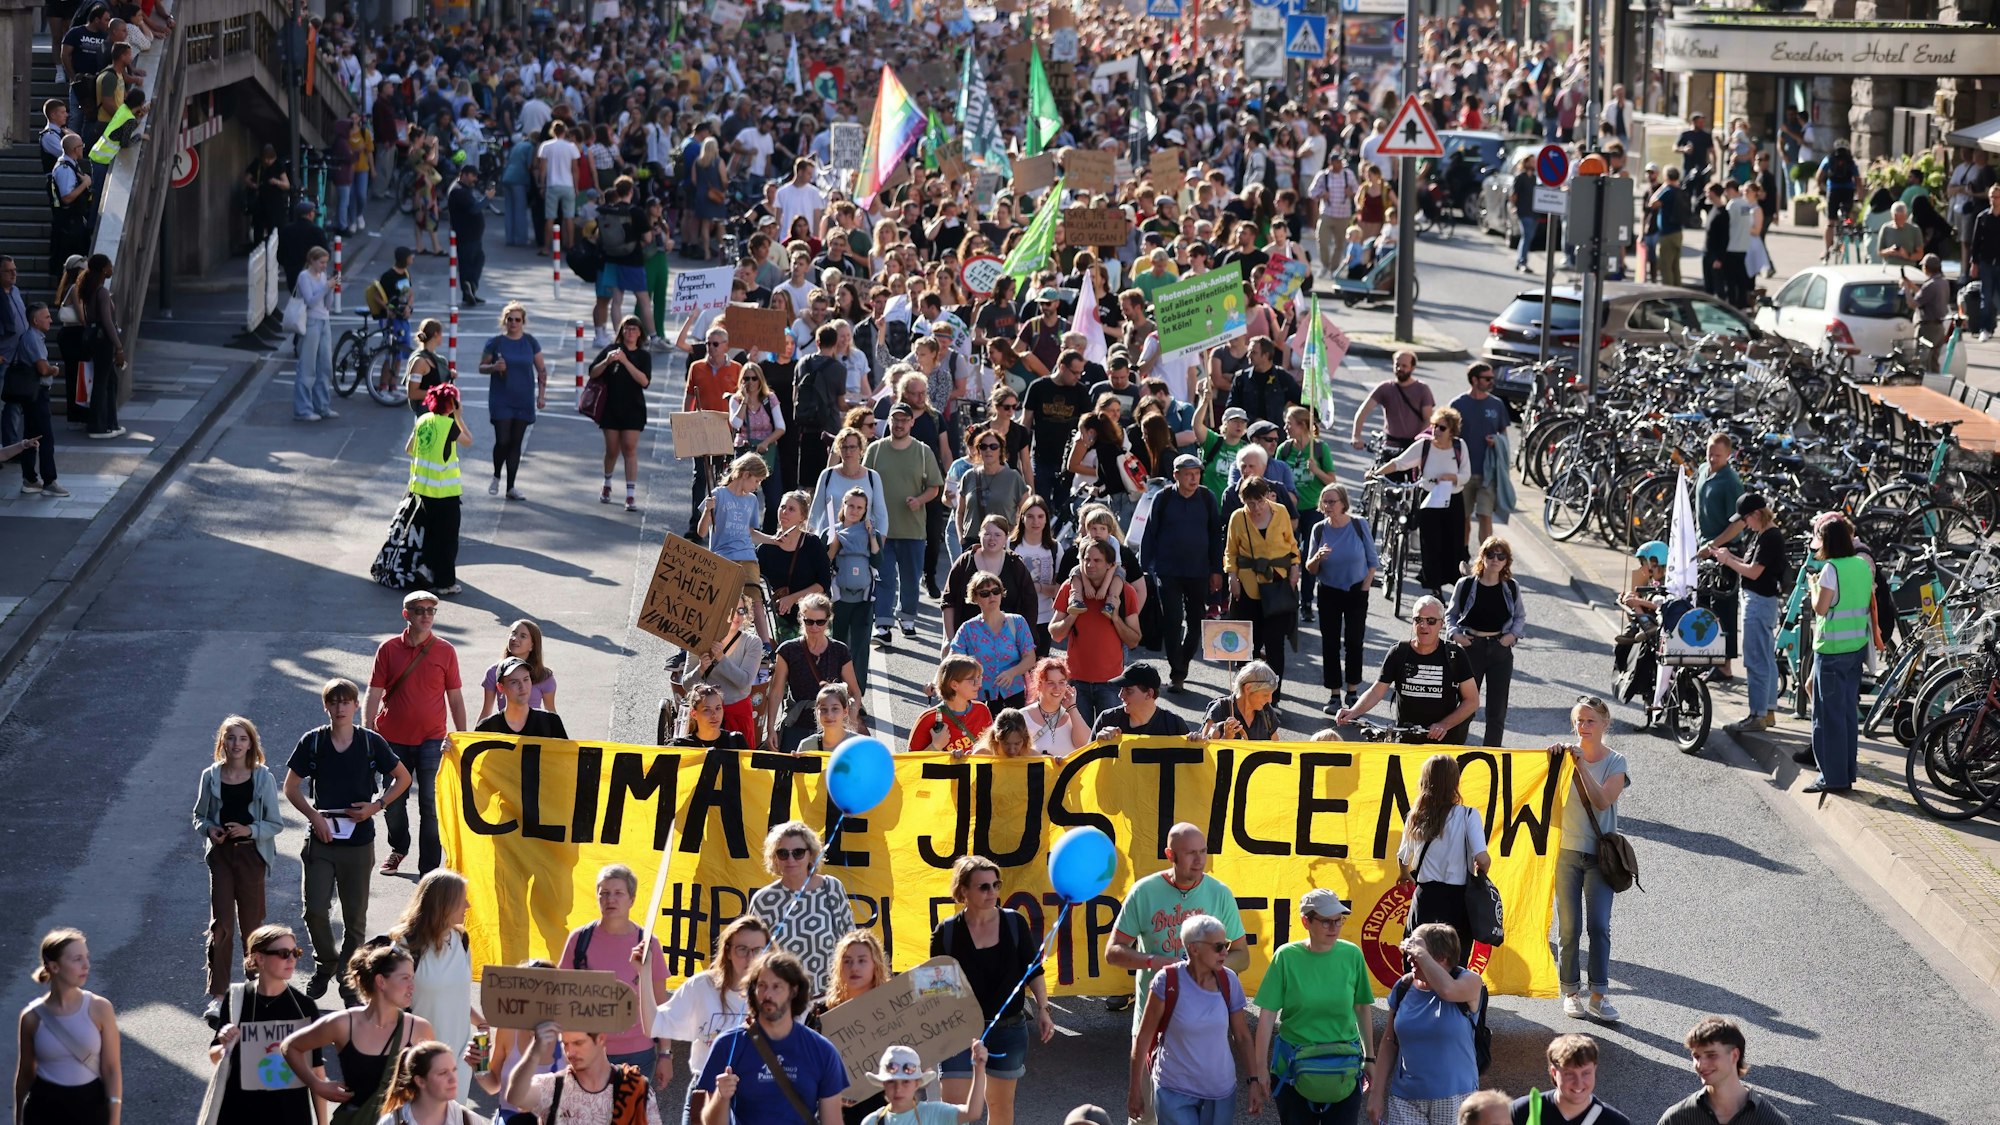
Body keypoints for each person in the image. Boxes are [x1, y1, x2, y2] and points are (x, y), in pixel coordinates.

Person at [286, 678, 412, 1001]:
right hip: (321, 839)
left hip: (358, 842)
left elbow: (403, 778)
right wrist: (315, 817)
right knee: (314, 909)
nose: (340, 708)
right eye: (334, 702)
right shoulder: (312, 742)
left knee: (355, 917)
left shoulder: (370, 742)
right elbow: (291, 786)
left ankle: (348, 974)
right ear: (326, 705)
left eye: (346, 702)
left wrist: (376, 806)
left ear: (356, 706)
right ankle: (325, 963)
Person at [929, 856, 1055, 1125]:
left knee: (999, 1108)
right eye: (983, 887)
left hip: (1007, 1030)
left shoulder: (1014, 923)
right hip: (958, 1030)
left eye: (996, 885)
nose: (993, 892)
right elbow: (934, 987)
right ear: (963, 891)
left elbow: (1033, 970)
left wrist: (1043, 1009)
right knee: (953, 1112)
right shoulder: (947, 933)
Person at [1106, 822, 1247, 1029]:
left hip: (1204, 1025)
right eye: (1191, 853)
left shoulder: (1220, 893)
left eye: (1203, 851)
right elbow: (1113, 953)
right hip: (1153, 1023)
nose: (1199, 861)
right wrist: (1155, 961)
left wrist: (1204, 967)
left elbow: (1242, 956)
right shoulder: (1144, 892)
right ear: (1170, 855)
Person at [365, 589, 466, 877]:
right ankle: (399, 847)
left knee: (431, 808)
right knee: (393, 803)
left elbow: (455, 699)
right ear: (406, 614)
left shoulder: (446, 650)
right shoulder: (388, 649)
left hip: (432, 740)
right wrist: (368, 732)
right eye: (419, 610)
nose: (426, 615)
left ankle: (429, 871)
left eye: (431, 610)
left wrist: (462, 738)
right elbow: (373, 693)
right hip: (392, 740)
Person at [1251, 890, 1375, 1125]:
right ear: (1305, 921)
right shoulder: (1286, 957)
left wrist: (1370, 1058)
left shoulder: (1352, 955)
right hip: (1292, 1070)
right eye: (1326, 921)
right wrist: (1260, 1071)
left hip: (1344, 1067)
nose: (1334, 927)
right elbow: (1266, 1017)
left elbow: (1362, 1008)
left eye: (1339, 920)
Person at [281, 943, 437, 1125]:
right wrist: (317, 1085)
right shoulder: (343, 1024)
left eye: (412, 978)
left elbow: (434, 1086)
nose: (412, 986)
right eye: (405, 978)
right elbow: (290, 1047)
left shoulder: (419, 1029)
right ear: (381, 982)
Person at [1126, 912, 1258, 1125]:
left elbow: (1242, 1035)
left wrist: (1254, 1080)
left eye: (1226, 944)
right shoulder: (1167, 981)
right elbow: (1143, 1039)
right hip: (1174, 1090)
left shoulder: (1229, 980)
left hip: (1220, 1092)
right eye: (1218, 947)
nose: (1225, 952)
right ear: (1194, 948)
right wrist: (1135, 1090)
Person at [192, 715, 284, 1016]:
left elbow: (275, 823)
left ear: (251, 744)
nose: (236, 744)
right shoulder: (210, 776)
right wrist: (210, 830)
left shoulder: (263, 777)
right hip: (221, 856)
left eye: (242, 739)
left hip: (251, 856)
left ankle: (257, 991)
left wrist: (250, 830)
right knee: (221, 926)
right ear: (222, 742)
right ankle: (218, 997)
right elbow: (199, 817)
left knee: (253, 927)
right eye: (230, 738)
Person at [693, 950, 845, 1125]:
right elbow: (710, 1123)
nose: (768, 994)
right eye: (762, 986)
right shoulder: (728, 1044)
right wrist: (721, 1096)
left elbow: (832, 1121)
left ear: (794, 991)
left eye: (776, 986)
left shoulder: (822, 1050)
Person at [1551, 697, 1630, 1023]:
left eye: (1590, 721)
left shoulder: (1616, 762)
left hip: (1600, 857)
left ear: (1605, 724)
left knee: (1598, 927)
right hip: (1567, 853)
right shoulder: (1565, 758)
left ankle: (1598, 994)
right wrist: (1556, 760)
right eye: (1579, 721)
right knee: (1569, 929)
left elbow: (1602, 801)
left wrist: (1581, 766)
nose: (1583, 727)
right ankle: (1571, 992)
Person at [650, 915, 769, 1124]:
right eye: (742, 949)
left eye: (758, 950)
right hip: (706, 1091)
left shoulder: (777, 992)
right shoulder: (702, 985)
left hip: (755, 1096)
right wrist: (643, 973)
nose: (750, 958)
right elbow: (656, 1023)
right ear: (729, 951)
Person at [556, 865, 670, 1081]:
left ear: (632, 900)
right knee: (588, 1115)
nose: (611, 900)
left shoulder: (647, 944)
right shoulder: (579, 939)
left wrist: (665, 1054)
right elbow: (561, 996)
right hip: (587, 1051)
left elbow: (661, 1003)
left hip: (637, 1052)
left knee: (629, 1115)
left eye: (618, 893)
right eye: (604, 893)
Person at [206, 925, 324, 1125]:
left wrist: (323, 1122)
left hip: (290, 1115)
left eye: (296, 953)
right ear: (259, 959)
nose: (292, 959)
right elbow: (215, 1056)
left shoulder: (304, 1007)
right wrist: (225, 1042)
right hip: (240, 1114)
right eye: (283, 953)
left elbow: (316, 1070)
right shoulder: (237, 999)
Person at [1368, 924, 1485, 1125]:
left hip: (1456, 1098)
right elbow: (1389, 1042)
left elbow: (1448, 991)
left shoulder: (1470, 982)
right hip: (1404, 1099)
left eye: (1416, 953)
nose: (1409, 958)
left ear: (1442, 957)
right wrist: (1376, 1094)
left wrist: (1421, 954)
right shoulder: (1403, 987)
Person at [1335, 596, 1480, 744]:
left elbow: (1472, 701)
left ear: (1441, 624)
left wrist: (1444, 725)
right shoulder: (1398, 652)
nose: (1424, 625)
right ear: (1413, 622)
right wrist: (1353, 712)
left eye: (1430, 621)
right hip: (1405, 741)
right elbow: (1377, 691)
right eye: (1418, 620)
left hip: (1443, 744)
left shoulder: (1455, 655)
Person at [388, 871, 484, 1095]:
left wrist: (480, 1022)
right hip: (419, 1062)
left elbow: (455, 995)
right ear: (443, 904)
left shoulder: (462, 940)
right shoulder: (405, 946)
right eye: (462, 900)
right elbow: (388, 1007)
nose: (468, 905)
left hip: (457, 1060)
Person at [14, 928, 121, 1125]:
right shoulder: (31, 1017)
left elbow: (112, 1068)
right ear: (54, 967)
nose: (86, 965)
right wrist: (19, 1118)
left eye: (87, 957)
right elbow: (25, 1073)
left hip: (90, 1109)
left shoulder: (100, 1008)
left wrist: (114, 1117)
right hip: (44, 1111)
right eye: (77, 959)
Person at [1699, 493, 1786, 732]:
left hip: (1759, 603)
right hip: (1762, 602)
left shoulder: (1769, 537)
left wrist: (1727, 560)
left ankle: (1757, 715)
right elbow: (1751, 565)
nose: (1744, 524)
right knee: (1765, 657)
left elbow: (1754, 572)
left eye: (1745, 519)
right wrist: (1727, 556)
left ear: (1756, 514)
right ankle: (1767, 711)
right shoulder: (1764, 534)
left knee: (1756, 660)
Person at [374, 385, 473, 593]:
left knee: (429, 534)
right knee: (447, 540)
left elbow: (409, 449)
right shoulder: (449, 425)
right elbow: (468, 441)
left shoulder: (423, 420)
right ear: (452, 404)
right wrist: (458, 417)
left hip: (421, 490)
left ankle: (426, 568)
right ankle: (444, 583)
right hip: (445, 493)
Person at [1396, 755, 1493, 966]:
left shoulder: (1416, 815)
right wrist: (1482, 868)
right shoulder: (1468, 815)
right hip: (1457, 900)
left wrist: (1404, 874)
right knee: (1453, 964)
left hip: (1425, 897)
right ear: (1455, 783)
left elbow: (1403, 856)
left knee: (1416, 961)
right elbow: (1482, 858)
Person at [1804, 514, 1876, 794]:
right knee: (1846, 715)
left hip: (1831, 650)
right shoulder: (1860, 564)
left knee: (1827, 717)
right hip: (1855, 648)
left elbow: (1821, 609)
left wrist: (1813, 588)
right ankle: (1846, 772)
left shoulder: (1830, 569)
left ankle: (1831, 777)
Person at [1143, 453, 1226, 692]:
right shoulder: (1164, 498)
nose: (1193, 478)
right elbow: (1150, 534)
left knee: (1196, 619)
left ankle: (1183, 659)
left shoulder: (1207, 498)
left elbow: (1214, 536)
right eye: (1188, 474)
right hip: (1168, 571)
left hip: (1199, 571)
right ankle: (1177, 672)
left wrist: (1216, 570)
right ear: (1176, 475)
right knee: (1172, 619)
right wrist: (1143, 569)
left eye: (1197, 473)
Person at [864, 400, 945, 641]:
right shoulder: (875, 450)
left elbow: (934, 487)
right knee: (885, 577)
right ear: (888, 421)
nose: (899, 424)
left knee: (911, 579)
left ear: (912, 422)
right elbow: (864, 484)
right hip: (882, 531)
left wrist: (920, 500)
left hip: (913, 529)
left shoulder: (922, 451)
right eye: (895, 419)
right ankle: (883, 625)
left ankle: (907, 619)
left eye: (903, 420)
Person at [1375, 406, 1471, 596]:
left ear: (1452, 431)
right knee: (1431, 543)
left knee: (1453, 543)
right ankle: (1434, 587)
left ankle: (1456, 584)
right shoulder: (1424, 446)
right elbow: (1399, 462)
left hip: (1453, 500)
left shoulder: (1460, 446)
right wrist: (1376, 473)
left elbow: (1466, 474)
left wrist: (1452, 477)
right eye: (1434, 426)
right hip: (1429, 500)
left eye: (1442, 428)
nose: (1436, 431)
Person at [749, 822, 855, 993]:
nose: (790, 860)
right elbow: (754, 960)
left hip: (831, 1000)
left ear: (811, 854)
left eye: (798, 853)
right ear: (774, 857)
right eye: (783, 853)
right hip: (785, 1005)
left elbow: (851, 944)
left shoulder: (832, 888)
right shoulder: (763, 901)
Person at [1049, 538, 1143, 723]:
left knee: (1108, 742)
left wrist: (1115, 617)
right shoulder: (1069, 589)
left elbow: (1134, 640)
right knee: (1079, 743)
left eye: (1097, 560)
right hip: (1076, 682)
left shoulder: (1125, 592)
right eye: (1086, 560)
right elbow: (1055, 633)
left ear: (1110, 565)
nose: (1090, 565)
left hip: (1111, 684)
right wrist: (1073, 615)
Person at [1446, 537, 1526, 747]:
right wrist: (1456, 636)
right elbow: (1450, 615)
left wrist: (1511, 637)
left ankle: (1491, 755)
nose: (1495, 559)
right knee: (1465, 706)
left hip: (1500, 650)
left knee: (1496, 711)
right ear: (1482, 557)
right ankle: (1455, 753)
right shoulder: (1466, 584)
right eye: (1490, 554)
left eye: (1501, 556)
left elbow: (1520, 616)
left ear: (1507, 561)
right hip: (1472, 648)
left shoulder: (1511, 587)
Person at [805, 929, 891, 1124]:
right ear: (838, 966)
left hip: (885, 1106)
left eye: (862, 960)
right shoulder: (820, 1013)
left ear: (875, 965)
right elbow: (806, 1064)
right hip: (835, 1108)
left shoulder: (893, 1007)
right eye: (847, 961)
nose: (854, 967)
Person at [507, 1019, 665, 1125]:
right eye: (566, 1044)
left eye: (578, 1043)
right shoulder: (553, 1087)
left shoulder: (635, 1087)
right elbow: (515, 1097)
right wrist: (535, 1052)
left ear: (601, 1039)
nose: (570, 1052)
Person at [1306, 485, 1378, 711]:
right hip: (1329, 591)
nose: (1328, 506)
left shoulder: (1358, 524)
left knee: (1355, 641)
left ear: (1343, 503)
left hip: (1356, 590)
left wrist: (1365, 588)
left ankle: (1353, 691)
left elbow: (1372, 561)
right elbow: (1310, 568)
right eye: (1325, 502)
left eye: (1332, 501)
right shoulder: (1319, 529)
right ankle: (1334, 693)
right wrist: (1318, 556)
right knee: (1330, 643)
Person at [767, 593, 866, 753]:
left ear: (828, 620)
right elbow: (776, 692)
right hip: (797, 723)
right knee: (793, 773)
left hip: (831, 726)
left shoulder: (840, 650)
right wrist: (771, 728)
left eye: (820, 622)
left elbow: (855, 692)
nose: (814, 627)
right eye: (809, 621)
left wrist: (851, 720)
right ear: (801, 618)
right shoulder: (788, 650)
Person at [1224, 477, 1299, 683]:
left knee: (1275, 643)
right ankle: (1244, 692)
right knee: (1248, 643)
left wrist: (1295, 567)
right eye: (1250, 502)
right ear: (1243, 501)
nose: (1255, 507)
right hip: (1248, 586)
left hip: (1277, 583)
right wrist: (1232, 576)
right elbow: (1230, 551)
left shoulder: (1281, 511)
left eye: (1259, 501)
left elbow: (1291, 544)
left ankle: (1273, 697)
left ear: (1267, 496)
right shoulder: (1237, 518)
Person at [1657, 1017, 1792, 1125]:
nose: (1701, 1064)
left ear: (1734, 1056)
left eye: (1711, 1055)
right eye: (1696, 1056)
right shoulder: (1677, 1119)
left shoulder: (1771, 1120)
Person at [477, 302, 549, 501]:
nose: (514, 323)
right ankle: (496, 475)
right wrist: (493, 367)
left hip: (524, 399)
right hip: (501, 398)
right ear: (505, 321)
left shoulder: (530, 342)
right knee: (503, 440)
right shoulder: (495, 343)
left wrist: (541, 395)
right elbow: (481, 367)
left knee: (516, 442)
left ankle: (511, 487)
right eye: (510, 319)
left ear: (523, 321)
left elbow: (541, 370)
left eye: (518, 319)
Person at [948, 571, 1038, 713]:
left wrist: (1012, 673)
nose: (992, 596)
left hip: (1014, 694)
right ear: (975, 598)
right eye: (985, 593)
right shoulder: (968, 628)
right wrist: (936, 683)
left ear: (1001, 593)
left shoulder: (1017, 622)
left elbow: (1030, 657)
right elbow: (952, 661)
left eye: (996, 591)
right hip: (979, 697)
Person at [590, 315, 653, 512]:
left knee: (630, 448)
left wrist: (625, 361)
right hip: (611, 408)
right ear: (621, 331)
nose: (630, 333)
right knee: (612, 449)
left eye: (634, 329)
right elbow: (592, 372)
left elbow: (644, 381)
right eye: (627, 329)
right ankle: (607, 484)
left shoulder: (643, 356)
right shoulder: (611, 350)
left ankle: (631, 494)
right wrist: (607, 362)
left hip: (633, 409)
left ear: (640, 333)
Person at [941, 516, 1040, 642]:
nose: (992, 539)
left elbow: (1030, 604)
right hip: (968, 639)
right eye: (987, 534)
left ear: (1006, 538)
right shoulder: (965, 562)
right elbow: (948, 601)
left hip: (1007, 640)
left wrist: (1026, 641)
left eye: (998, 535)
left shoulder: (1015, 564)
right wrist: (949, 639)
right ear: (979, 535)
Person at [1509, 1035, 1632, 1125]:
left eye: (1586, 1073)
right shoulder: (1521, 1111)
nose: (1578, 1083)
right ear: (1554, 1072)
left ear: (1594, 1069)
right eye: (1569, 1074)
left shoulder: (1615, 1122)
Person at [1448, 364, 1508, 545]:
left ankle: (1486, 560)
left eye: (1492, 378)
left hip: (1488, 473)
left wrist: (1497, 441)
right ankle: (1463, 556)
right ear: (1474, 380)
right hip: (1462, 472)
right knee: (1463, 519)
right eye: (1487, 378)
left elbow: (1504, 434)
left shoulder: (1496, 405)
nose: (1492, 382)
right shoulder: (1457, 405)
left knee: (1485, 515)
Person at [861, 1043, 988, 1125]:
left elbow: (972, 1112)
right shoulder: (872, 1122)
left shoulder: (934, 1112)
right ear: (883, 1084)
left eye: (905, 1082)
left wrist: (979, 1068)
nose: (898, 1089)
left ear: (917, 1084)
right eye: (891, 1082)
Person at [377, 1039, 489, 1124]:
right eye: (443, 1073)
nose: (453, 1079)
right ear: (420, 1081)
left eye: (454, 1070)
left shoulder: (469, 1121)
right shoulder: (392, 1122)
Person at [76, 253, 123, 439]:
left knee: (109, 380)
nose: (112, 268)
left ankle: (110, 422)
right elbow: (107, 321)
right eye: (110, 265)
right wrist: (118, 346)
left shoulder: (90, 288)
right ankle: (98, 425)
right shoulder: (101, 291)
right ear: (104, 269)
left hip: (94, 339)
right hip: (103, 341)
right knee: (102, 382)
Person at [1350, 351, 1433, 451]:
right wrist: (1356, 436)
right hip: (1389, 446)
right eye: (1397, 365)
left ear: (1412, 367)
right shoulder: (1385, 388)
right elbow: (1362, 412)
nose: (1400, 369)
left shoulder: (1422, 389)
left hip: (1412, 447)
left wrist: (1418, 443)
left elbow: (1428, 419)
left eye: (1404, 366)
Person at [909, 655, 994, 754]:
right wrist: (935, 746)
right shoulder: (928, 718)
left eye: (979, 678)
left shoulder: (982, 710)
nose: (980, 684)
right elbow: (910, 763)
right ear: (954, 685)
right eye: (973, 680)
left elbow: (993, 750)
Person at [477, 619, 557, 722]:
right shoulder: (493, 672)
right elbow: (486, 712)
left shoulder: (545, 676)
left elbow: (552, 715)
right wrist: (473, 737)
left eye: (523, 636)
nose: (515, 638)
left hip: (534, 734)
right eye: (513, 633)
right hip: (504, 733)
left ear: (532, 645)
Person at [292, 246, 338, 423]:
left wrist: (331, 288)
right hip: (311, 322)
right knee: (307, 367)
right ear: (311, 261)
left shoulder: (323, 276)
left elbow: (327, 304)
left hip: (324, 321)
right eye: (321, 262)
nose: (324, 266)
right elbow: (310, 301)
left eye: (326, 263)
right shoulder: (304, 276)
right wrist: (326, 287)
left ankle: (322, 406)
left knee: (325, 365)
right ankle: (303, 409)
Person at [475, 656, 569, 739]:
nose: (522, 687)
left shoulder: (551, 722)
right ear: (501, 687)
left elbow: (568, 756)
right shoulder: (487, 728)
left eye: (526, 679)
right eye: (514, 682)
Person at [1093, 664, 1192, 737]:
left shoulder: (1174, 725)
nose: (1120, 695)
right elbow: (1087, 763)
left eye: (1128, 690)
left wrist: (1197, 743)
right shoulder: (1107, 719)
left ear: (1149, 694)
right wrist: (1098, 744)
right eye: (1121, 689)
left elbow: (1191, 763)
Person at [1023, 655, 1094, 757]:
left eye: (1061, 682)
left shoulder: (1073, 716)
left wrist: (1072, 708)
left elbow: (1087, 746)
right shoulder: (1021, 717)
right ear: (1039, 685)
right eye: (1050, 683)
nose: (1057, 688)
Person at [1202, 660, 1285, 741]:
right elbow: (1205, 749)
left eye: (1271, 694)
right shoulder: (1220, 709)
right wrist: (1226, 737)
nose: (1270, 700)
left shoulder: (1266, 711)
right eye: (1265, 695)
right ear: (1248, 688)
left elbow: (1276, 749)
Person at [799, 684, 861, 755]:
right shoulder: (807, 746)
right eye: (823, 709)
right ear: (816, 712)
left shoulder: (859, 745)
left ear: (845, 711)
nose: (829, 715)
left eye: (835, 709)